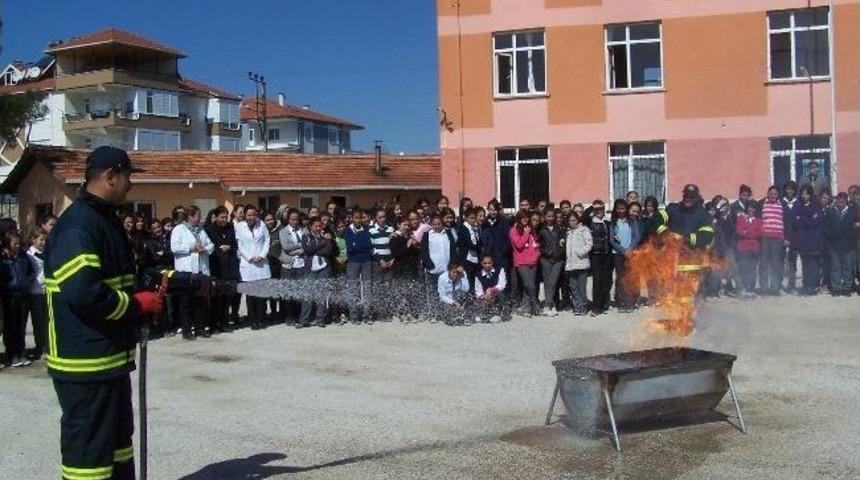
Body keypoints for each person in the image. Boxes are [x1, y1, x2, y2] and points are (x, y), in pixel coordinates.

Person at [45, 146, 163, 480]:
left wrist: (149, 290)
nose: (131, 185)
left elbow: (119, 280)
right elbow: (84, 293)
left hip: (109, 360)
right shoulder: (78, 226)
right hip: (85, 365)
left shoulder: (105, 221)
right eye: (127, 177)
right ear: (110, 177)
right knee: (89, 459)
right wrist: (137, 305)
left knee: (118, 447)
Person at [651, 184, 715, 296]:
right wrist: (667, 233)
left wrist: (684, 238)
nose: (687, 199)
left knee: (690, 296)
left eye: (691, 197)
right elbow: (656, 220)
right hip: (671, 262)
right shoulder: (673, 209)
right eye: (686, 196)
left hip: (693, 262)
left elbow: (706, 236)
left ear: (696, 198)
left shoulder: (703, 214)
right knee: (671, 295)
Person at [170, 205, 214, 339]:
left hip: (201, 271)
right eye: (197, 216)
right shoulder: (179, 229)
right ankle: (187, 330)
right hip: (187, 272)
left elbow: (211, 244)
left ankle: (200, 328)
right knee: (186, 302)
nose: (199, 218)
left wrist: (204, 249)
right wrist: (191, 248)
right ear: (189, 217)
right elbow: (174, 247)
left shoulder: (201, 230)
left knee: (200, 301)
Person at [1, 230, 35, 367]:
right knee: (10, 327)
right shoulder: (3, 258)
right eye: (14, 243)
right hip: (9, 297)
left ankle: (20, 353)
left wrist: (26, 282)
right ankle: (11, 354)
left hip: (23, 296)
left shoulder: (23, 256)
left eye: (18, 243)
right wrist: (10, 285)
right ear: (7, 244)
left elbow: (31, 272)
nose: (17, 246)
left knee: (21, 326)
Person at [236, 204, 271, 330]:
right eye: (249, 215)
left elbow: (267, 240)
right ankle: (253, 320)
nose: (251, 217)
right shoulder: (240, 226)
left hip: (261, 263)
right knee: (250, 295)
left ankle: (261, 319)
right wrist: (250, 257)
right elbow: (240, 244)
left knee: (261, 294)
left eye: (253, 215)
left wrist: (262, 255)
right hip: (248, 263)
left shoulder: (262, 224)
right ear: (245, 215)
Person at [205, 206, 240, 333]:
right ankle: (213, 325)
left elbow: (235, 244)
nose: (224, 220)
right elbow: (208, 245)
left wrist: (229, 247)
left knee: (227, 297)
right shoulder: (209, 229)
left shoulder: (230, 227)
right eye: (222, 217)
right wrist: (219, 248)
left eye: (226, 217)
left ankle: (224, 323)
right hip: (216, 266)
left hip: (229, 266)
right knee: (215, 297)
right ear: (216, 217)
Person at [297, 217, 333, 328]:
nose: (318, 228)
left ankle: (320, 318)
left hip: (323, 267)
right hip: (310, 268)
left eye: (320, 226)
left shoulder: (326, 237)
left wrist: (317, 249)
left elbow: (328, 250)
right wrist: (322, 243)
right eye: (315, 226)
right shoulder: (306, 237)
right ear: (310, 226)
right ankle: (304, 319)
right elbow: (308, 249)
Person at [791, 185, 825, 296]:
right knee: (805, 265)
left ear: (810, 194)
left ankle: (814, 286)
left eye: (806, 194)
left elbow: (817, 221)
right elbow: (795, 222)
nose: (804, 196)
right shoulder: (797, 205)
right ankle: (806, 286)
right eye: (802, 193)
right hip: (802, 241)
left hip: (814, 240)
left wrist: (802, 219)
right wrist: (809, 218)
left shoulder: (816, 205)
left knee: (814, 265)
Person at [422, 214, 456, 320]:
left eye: (439, 224)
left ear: (442, 224)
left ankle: (444, 313)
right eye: (434, 224)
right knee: (432, 291)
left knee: (445, 292)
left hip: (445, 269)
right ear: (431, 224)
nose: (436, 226)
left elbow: (453, 250)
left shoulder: (448, 233)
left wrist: (453, 265)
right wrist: (428, 264)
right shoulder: (427, 235)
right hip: (433, 269)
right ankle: (433, 313)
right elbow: (424, 251)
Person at [823, 192, 857, 296]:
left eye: (843, 200)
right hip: (834, 244)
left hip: (848, 244)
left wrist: (851, 237)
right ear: (836, 200)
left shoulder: (852, 211)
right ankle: (836, 288)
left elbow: (855, 227)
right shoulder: (830, 211)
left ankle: (847, 288)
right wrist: (831, 235)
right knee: (835, 267)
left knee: (847, 268)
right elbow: (826, 226)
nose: (840, 202)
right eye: (839, 200)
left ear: (846, 201)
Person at [609, 199, 640, 312]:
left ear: (626, 209)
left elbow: (636, 236)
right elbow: (612, 240)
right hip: (618, 254)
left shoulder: (631, 220)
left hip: (630, 254)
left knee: (629, 278)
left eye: (623, 208)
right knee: (620, 278)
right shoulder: (613, 222)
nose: (621, 211)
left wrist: (630, 249)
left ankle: (629, 302)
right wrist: (623, 251)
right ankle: (620, 302)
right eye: (618, 209)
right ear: (615, 209)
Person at [345, 208, 374, 323]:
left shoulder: (366, 229)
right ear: (351, 218)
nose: (359, 220)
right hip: (353, 261)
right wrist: (361, 245)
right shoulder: (348, 230)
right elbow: (351, 248)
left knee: (367, 287)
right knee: (353, 287)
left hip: (366, 261)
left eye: (360, 218)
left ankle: (367, 314)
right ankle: (354, 315)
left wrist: (357, 243)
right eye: (356, 218)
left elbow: (369, 244)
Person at [509, 210, 541, 316]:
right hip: (521, 262)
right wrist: (526, 233)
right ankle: (535, 304)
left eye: (527, 217)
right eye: (523, 217)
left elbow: (535, 243)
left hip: (533, 261)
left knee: (529, 286)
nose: (525, 219)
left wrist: (537, 253)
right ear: (518, 218)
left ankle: (525, 307)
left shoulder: (530, 229)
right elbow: (519, 245)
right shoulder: (513, 230)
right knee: (528, 284)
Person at [584, 200, 612, 316]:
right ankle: (596, 307)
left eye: (601, 208)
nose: (599, 211)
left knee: (606, 280)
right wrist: (592, 207)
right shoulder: (590, 221)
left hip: (607, 254)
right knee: (597, 280)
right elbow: (583, 217)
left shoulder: (607, 221)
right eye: (596, 209)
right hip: (595, 255)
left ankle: (604, 304)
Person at [760, 186, 789, 295]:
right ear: (768, 193)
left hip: (778, 238)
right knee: (764, 264)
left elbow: (787, 221)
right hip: (765, 238)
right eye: (771, 193)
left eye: (775, 194)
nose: (773, 196)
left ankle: (774, 288)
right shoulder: (761, 204)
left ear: (778, 195)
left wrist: (787, 237)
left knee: (776, 264)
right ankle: (764, 288)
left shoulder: (782, 205)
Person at [278, 208, 306, 324]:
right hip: (288, 265)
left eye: (296, 219)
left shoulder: (303, 230)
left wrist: (298, 250)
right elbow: (286, 246)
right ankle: (289, 316)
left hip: (301, 264)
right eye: (292, 219)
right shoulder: (283, 231)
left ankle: (299, 315)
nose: (294, 222)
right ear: (288, 219)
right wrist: (300, 245)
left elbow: (307, 245)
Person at [26, 227, 48, 360]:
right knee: (38, 322)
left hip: (47, 291)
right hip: (35, 292)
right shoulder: (29, 255)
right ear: (33, 240)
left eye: (45, 240)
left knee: (47, 321)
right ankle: (40, 346)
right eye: (41, 240)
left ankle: (48, 346)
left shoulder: (47, 253)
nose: (43, 243)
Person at [564, 212, 593, 315]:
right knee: (573, 287)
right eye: (570, 221)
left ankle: (584, 305)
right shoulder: (568, 232)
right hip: (571, 264)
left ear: (578, 220)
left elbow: (589, 243)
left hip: (581, 263)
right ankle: (577, 306)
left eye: (574, 220)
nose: (572, 222)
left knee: (581, 288)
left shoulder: (584, 230)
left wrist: (581, 252)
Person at [538, 208, 565, 316]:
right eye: (548, 216)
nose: (550, 218)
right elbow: (538, 243)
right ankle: (550, 305)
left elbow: (563, 241)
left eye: (552, 216)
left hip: (558, 259)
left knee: (553, 282)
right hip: (546, 259)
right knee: (547, 282)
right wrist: (545, 252)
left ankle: (548, 304)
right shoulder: (541, 228)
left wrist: (560, 252)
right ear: (544, 216)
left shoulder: (559, 228)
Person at [735, 202, 762, 298]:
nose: (751, 210)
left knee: (752, 268)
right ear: (746, 209)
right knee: (743, 268)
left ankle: (751, 287)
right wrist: (750, 233)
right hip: (743, 247)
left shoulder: (759, 220)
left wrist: (746, 232)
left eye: (753, 208)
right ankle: (743, 287)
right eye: (749, 208)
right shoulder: (741, 218)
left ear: (756, 210)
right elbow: (739, 231)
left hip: (754, 247)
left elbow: (759, 233)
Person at [474, 255, 509, 323]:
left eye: (489, 263)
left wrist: (492, 290)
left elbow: (502, 284)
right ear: (481, 264)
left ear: (492, 263)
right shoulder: (478, 275)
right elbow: (478, 290)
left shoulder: (499, 270)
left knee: (501, 298)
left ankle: (499, 313)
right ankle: (485, 313)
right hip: (486, 297)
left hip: (498, 294)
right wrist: (483, 297)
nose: (487, 265)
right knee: (480, 301)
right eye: (485, 263)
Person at [456, 207, 482, 292]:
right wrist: (480, 246)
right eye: (471, 218)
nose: (473, 220)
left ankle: (474, 296)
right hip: (467, 259)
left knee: (475, 281)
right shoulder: (464, 229)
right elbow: (469, 244)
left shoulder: (474, 228)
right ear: (466, 218)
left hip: (475, 258)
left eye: (474, 218)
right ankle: (468, 298)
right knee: (468, 282)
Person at [437, 261, 470, 325]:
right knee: (448, 309)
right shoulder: (442, 278)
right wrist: (453, 303)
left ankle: (460, 315)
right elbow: (442, 296)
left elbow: (466, 289)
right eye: (453, 272)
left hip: (459, 299)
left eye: (457, 272)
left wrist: (463, 276)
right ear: (448, 271)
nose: (456, 274)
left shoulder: (462, 274)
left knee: (469, 299)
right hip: (447, 302)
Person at [781, 181, 799, 293]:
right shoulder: (780, 203)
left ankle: (791, 286)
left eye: (792, 189)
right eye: (788, 189)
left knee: (793, 262)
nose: (790, 191)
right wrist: (784, 238)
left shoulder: (798, 203)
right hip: (781, 237)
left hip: (795, 237)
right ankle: (778, 284)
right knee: (779, 261)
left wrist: (791, 238)